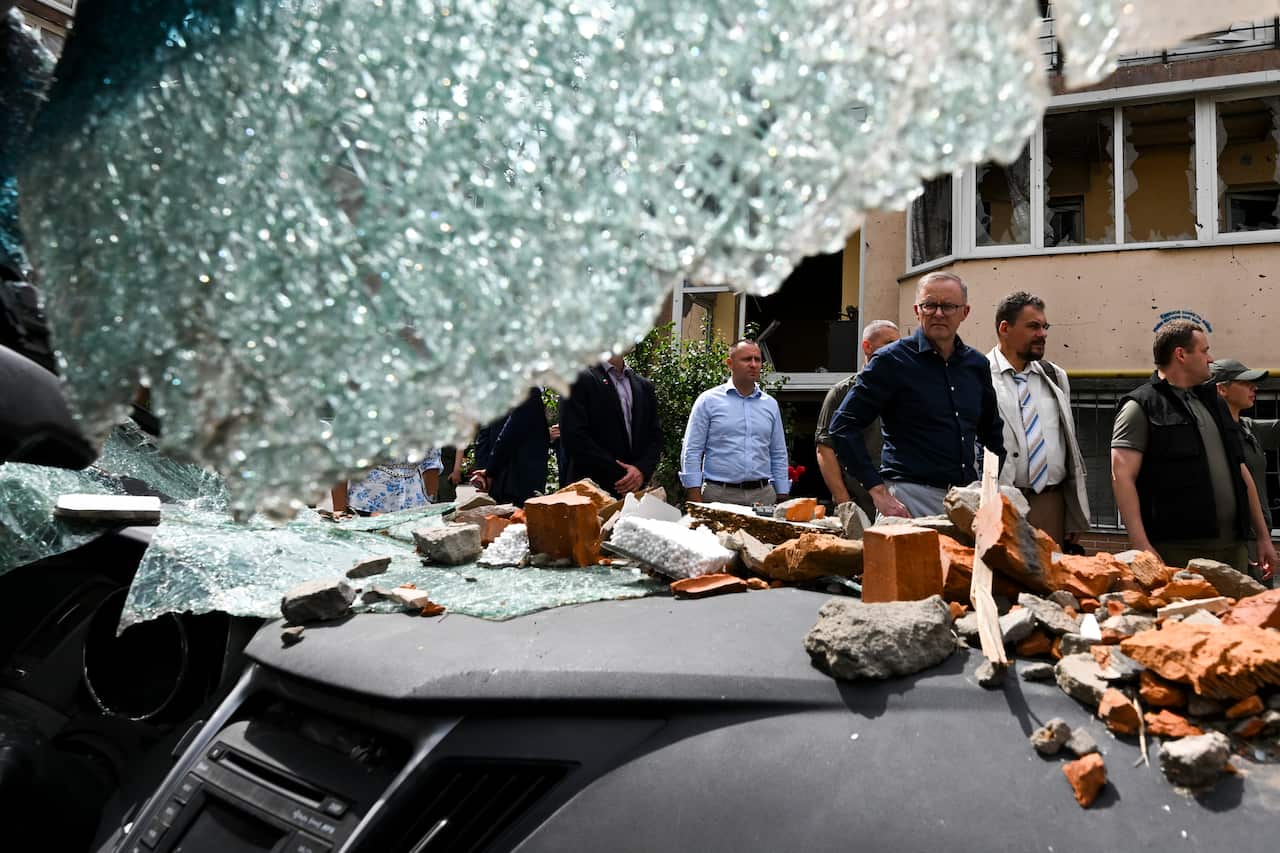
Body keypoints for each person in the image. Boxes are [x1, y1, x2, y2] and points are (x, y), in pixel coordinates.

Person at [830, 271, 1004, 519]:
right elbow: (843, 427)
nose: (939, 313)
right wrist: (878, 492)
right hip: (908, 503)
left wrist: (988, 489)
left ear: (965, 312)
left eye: (948, 306)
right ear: (917, 310)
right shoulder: (890, 361)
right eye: (930, 305)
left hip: (965, 502)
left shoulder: (976, 365)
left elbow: (993, 435)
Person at [1111, 321, 1276, 575]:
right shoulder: (1141, 406)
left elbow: (1241, 470)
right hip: (1177, 552)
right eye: (1204, 351)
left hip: (1233, 549)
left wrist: (1263, 538)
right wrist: (1141, 546)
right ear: (1181, 354)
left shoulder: (1215, 403)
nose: (1210, 359)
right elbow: (1122, 477)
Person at [987, 292, 1090, 547]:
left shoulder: (1055, 376)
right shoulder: (979, 374)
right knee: (1004, 582)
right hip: (1001, 501)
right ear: (1005, 328)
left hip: (1050, 503)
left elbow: (1068, 446)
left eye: (1045, 327)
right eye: (1033, 326)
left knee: (1052, 582)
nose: (1042, 334)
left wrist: (1073, 514)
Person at [680, 339, 789, 506]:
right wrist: (694, 494)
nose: (753, 364)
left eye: (757, 359)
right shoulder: (708, 401)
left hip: (763, 496)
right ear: (730, 363)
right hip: (718, 495)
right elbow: (692, 450)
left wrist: (782, 493)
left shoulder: (770, 404)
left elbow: (778, 452)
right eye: (746, 359)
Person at [814, 320, 900, 517]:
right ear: (867, 347)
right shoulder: (842, 392)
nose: (895, 350)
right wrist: (844, 501)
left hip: (899, 500)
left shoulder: (904, 391)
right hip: (860, 502)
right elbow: (825, 449)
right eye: (888, 343)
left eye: (898, 345)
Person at [1211, 358, 1278, 585]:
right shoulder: (1211, 433)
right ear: (1222, 389)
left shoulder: (1248, 427)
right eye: (1246, 383)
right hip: (1234, 541)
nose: (1254, 388)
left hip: (1258, 538)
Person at [560, 353, 661, 497]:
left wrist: (641, 470)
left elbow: (655, 437)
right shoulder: (577, 379)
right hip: (591, 492)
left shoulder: (644, 386)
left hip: (634, 490)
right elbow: (574, 436)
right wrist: (622, 472)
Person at [470, 387, 550, 506]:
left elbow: (483, 437)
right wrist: (488, 473)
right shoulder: (528, 391)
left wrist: (486, 473)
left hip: (501, 480)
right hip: (518, 482)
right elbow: (508, 435)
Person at [331, 449, 443, 515]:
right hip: (365, 507)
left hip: (415, 506)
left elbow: (431, 463)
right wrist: (340, 513)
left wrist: (430, 504)